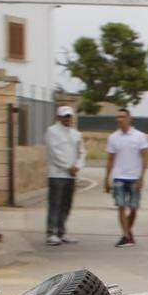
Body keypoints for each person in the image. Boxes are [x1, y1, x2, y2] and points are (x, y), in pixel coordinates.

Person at [103, 107, 148, 246]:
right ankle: (125, 236)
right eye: (118, 117)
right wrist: (107, 178)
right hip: (119, 177)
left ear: (129, 118)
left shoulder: (140, 136)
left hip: (134, 177)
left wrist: (142, 177)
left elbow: (145, 157)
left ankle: (128, 232)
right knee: (121, 206)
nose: (120, 119)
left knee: (134, 208)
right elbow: (110, 159)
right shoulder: (113, 137)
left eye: (123, 117)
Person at [43, 105, 85, 246]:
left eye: (69, 116)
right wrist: (68, 167)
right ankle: (52, 232)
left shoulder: (76, 134)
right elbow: (54, 153)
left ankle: (61, 231)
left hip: (71, 175)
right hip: (57, 174)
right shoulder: (52, 131)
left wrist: (77, 166)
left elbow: (82, 152)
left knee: (66, 204)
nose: (67, 119)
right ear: (59, 117)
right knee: (55, 204)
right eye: (65, 116)